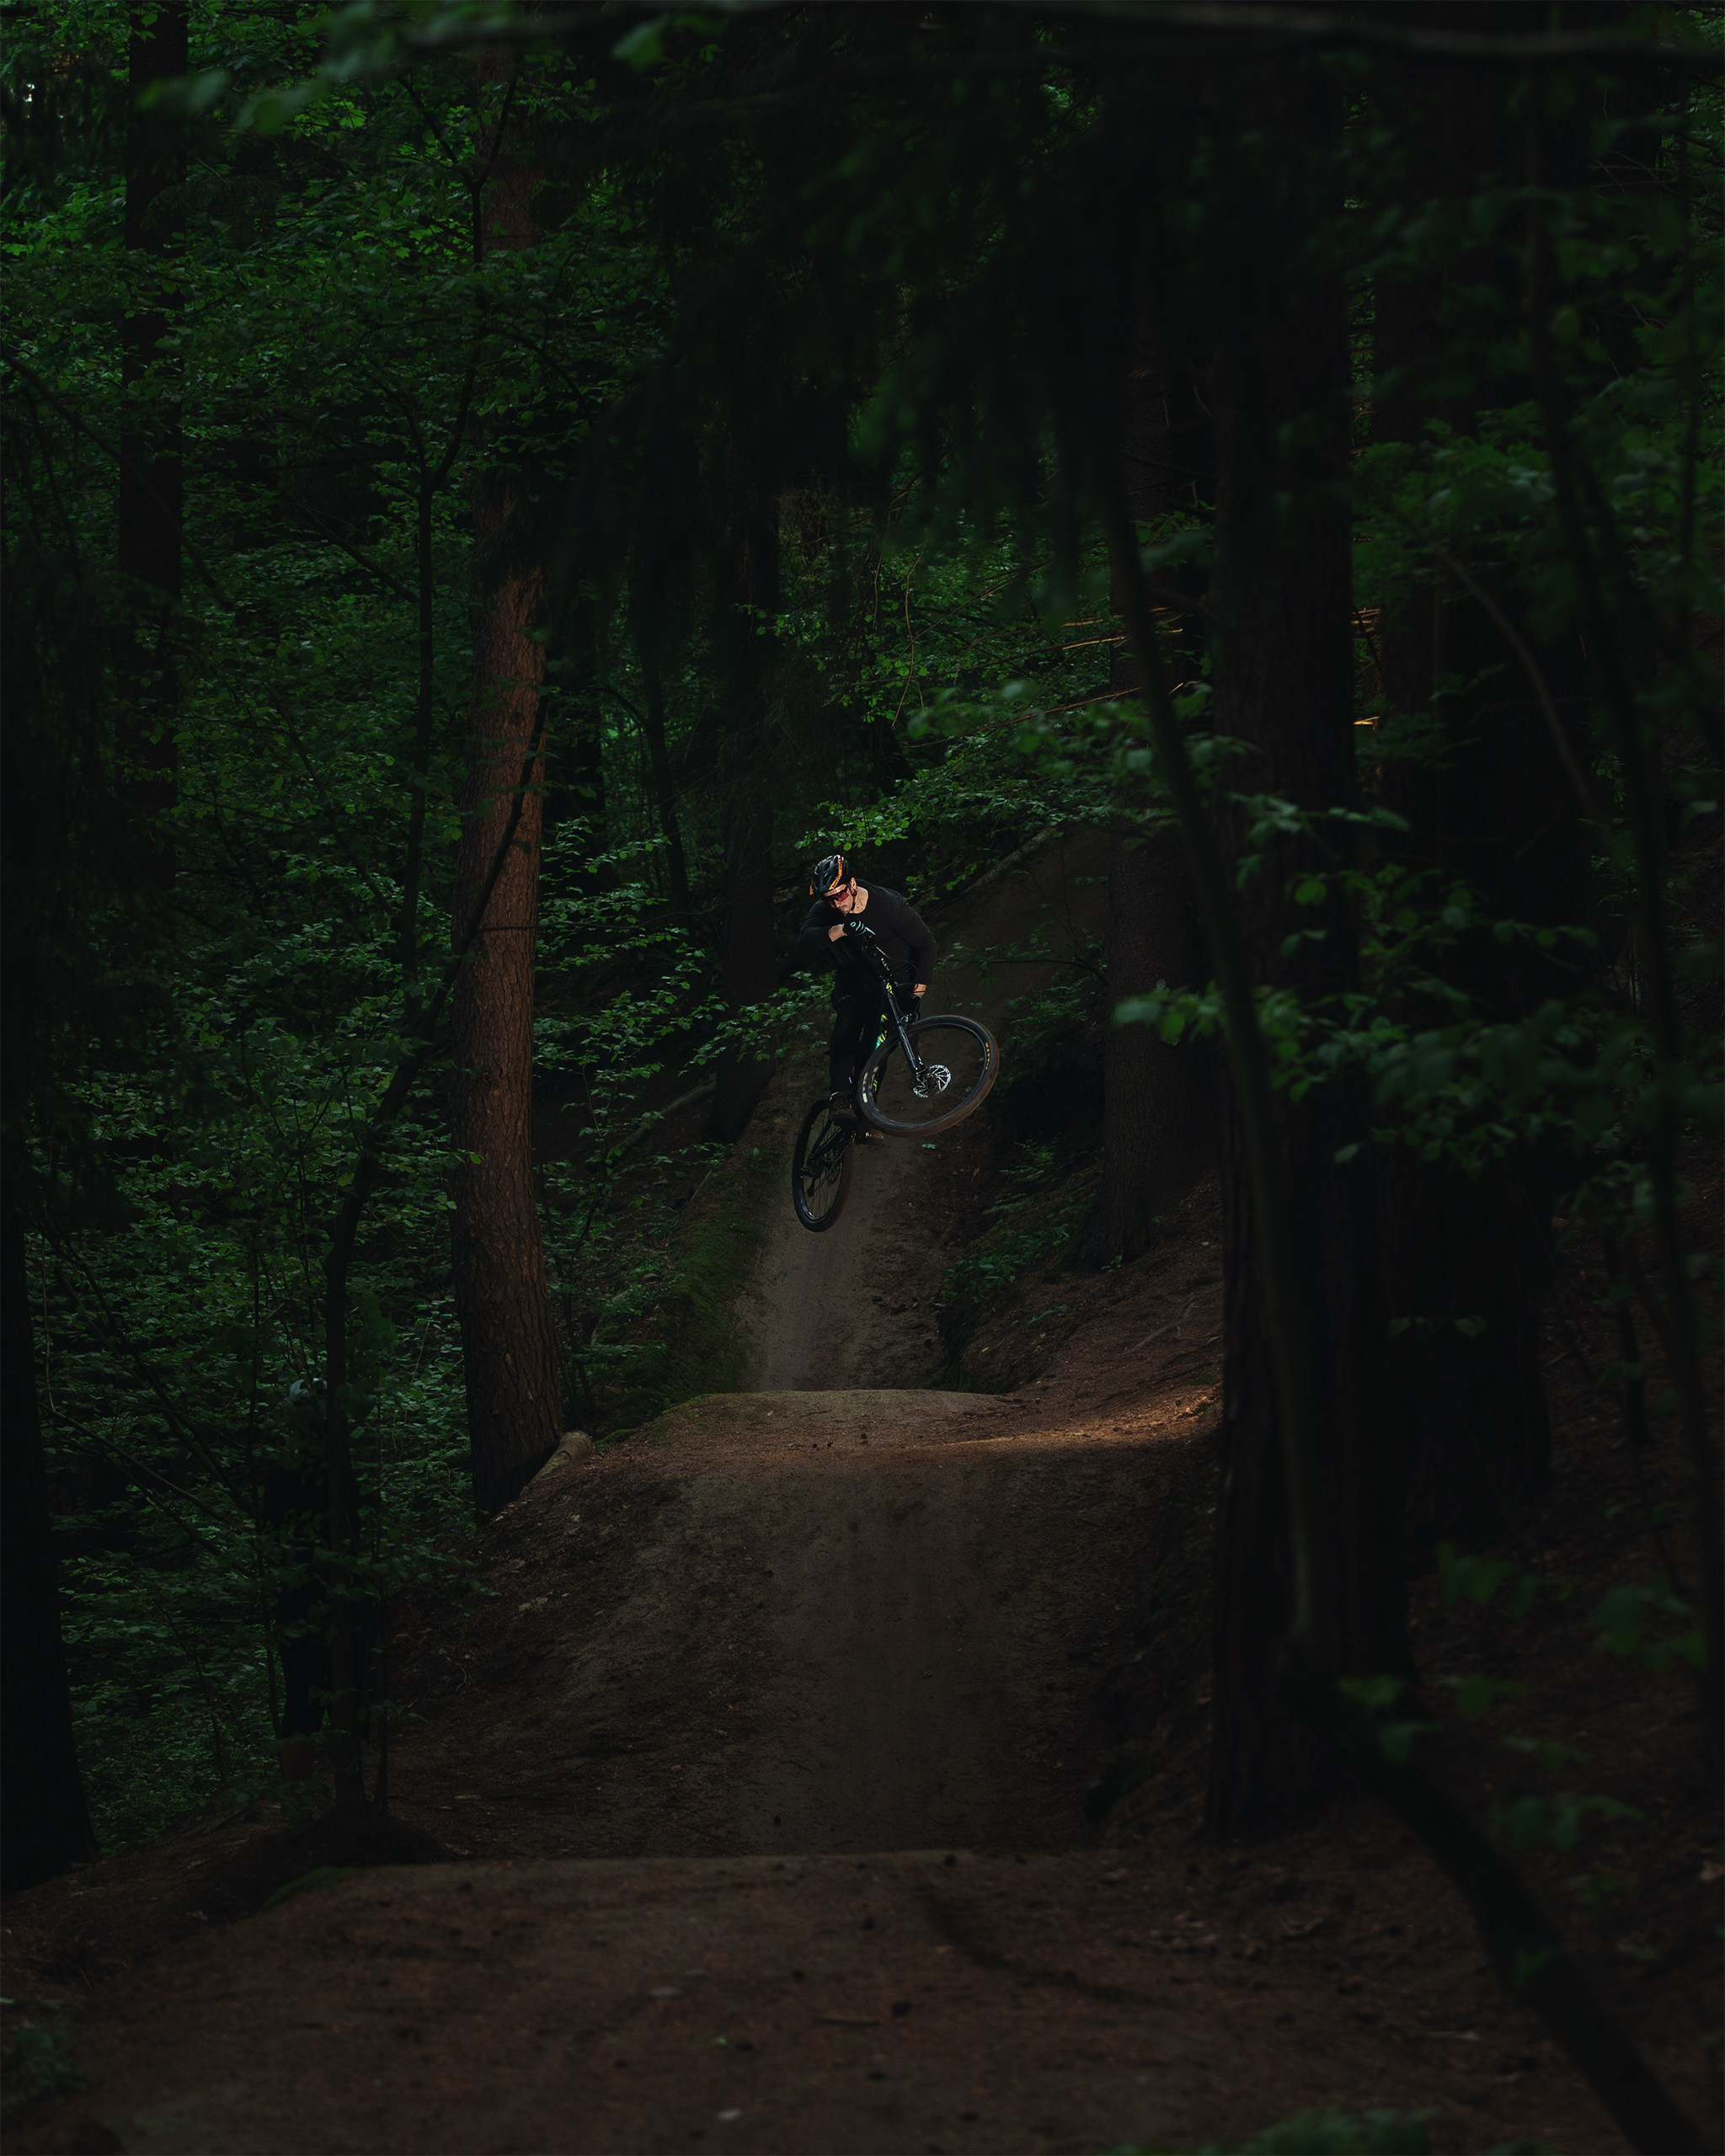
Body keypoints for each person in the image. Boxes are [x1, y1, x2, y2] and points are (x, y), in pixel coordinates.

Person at [797, 851, 937, 1124]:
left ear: (851, 885)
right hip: (855, 978)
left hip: (896, 980)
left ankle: (866, 1111)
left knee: (878, 1047)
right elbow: (805, 942)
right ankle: (838, 1099)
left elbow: (927, 944)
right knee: (846, 1027)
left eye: (839, 895)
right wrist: (841, 929)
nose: (835, 904)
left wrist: (916, 996)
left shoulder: (887, 904)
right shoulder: (827, 911)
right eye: (828, 899)